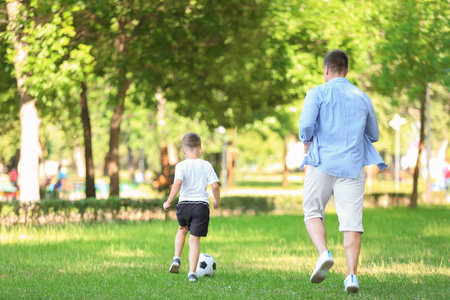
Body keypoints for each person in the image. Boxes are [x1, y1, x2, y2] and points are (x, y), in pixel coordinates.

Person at [298, 50, 387, 293]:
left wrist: (306, 140)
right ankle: (352, 277)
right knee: (352, 223)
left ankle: (324, 253)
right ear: (346, 70)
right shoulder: (361, 96)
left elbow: (306, 124)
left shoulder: (317, 92)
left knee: (312, 211)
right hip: (352, 166)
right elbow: (374, 135)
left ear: (326, 69)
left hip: (321, 163)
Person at [163, 132, 221, 282]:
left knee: (182, 230)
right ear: (200, 149)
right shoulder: (206, 165)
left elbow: (177, 184)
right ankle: (192, 274)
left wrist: (169, 201)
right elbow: (215, 185)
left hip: (184, 205)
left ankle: (176, 258)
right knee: (194, 240)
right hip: (200, 207)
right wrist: (217, 201)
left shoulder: (181, 165)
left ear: (183, 150)